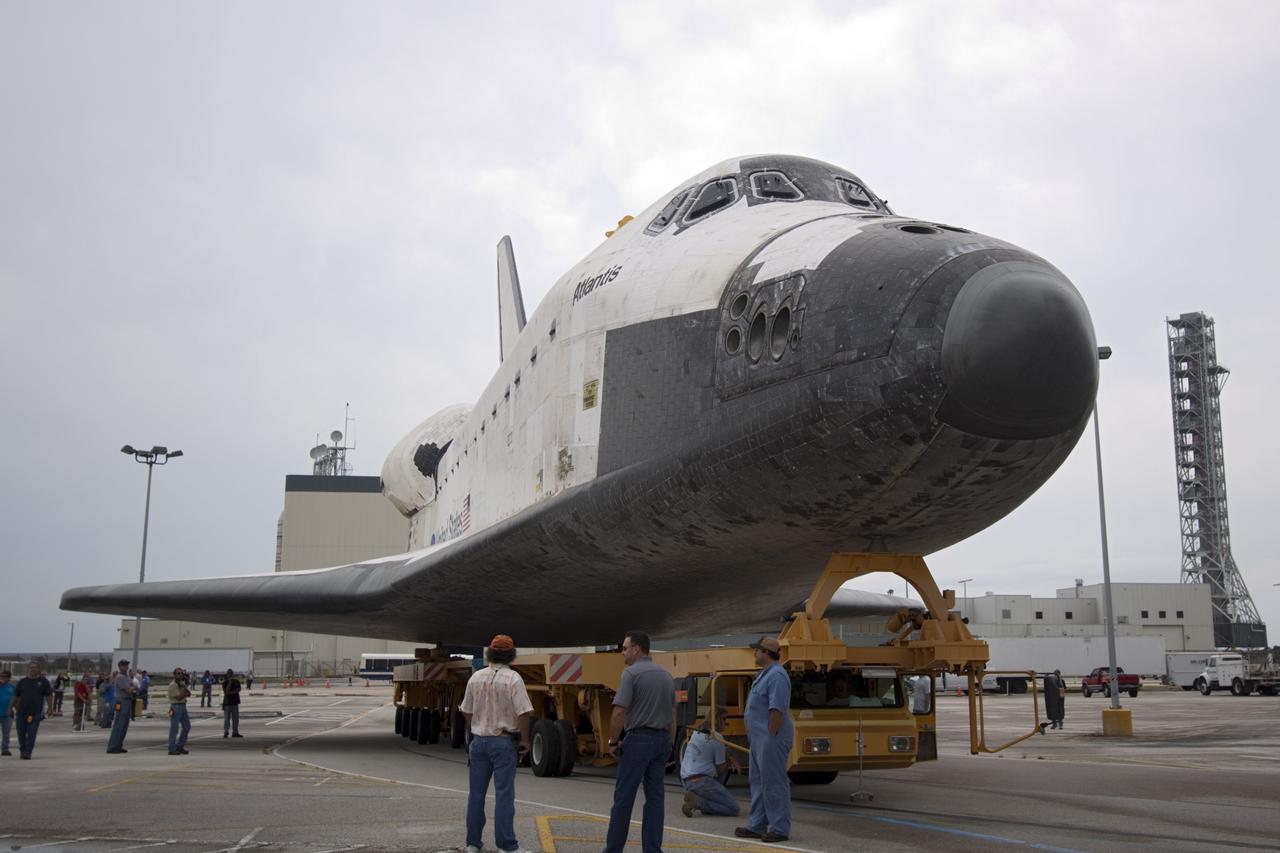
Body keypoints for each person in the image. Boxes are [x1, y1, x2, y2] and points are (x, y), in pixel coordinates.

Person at [458, 634, 533, 853]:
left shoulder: (476, 677)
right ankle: (506, 845)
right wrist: (525, 741)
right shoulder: (513, 679)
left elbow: (466, 711)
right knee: (504, 795)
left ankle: (473, 843)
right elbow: (524, 713)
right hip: (503, 742)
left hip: (479, 742)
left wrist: (478, 726)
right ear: (511, 655)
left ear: (490, 653)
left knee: (476, 795)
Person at [604, 630, 676, 853]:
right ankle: (653, 850)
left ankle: (613, 850)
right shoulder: (666, 675)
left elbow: (619, 712)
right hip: (662, 740)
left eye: (625, 648)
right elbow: (673, 714)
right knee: (655, 800)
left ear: (636, 649)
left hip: (638, 741)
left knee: (624, 799)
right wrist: (670, 745)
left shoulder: (631, 674)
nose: (622, 652)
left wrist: (613, 741)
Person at [736, 636, 792, 844]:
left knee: (774, 783)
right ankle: (757, 825)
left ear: (766, 652)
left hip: (770, 739)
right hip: (759, 739)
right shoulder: (764, 675)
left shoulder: (776, 676)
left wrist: (770, 735)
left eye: (757, 650)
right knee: (758, 781)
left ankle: (779, 828)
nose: (754, 653)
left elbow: (776, 709)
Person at [680, 707, 741, 818]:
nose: (726, 722)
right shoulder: (717, 737)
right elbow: (720, 768)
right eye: (724, 718)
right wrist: (729, 762)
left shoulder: (697, 731)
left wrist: (729, 757)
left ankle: (707, 802)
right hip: (701, 780)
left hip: (686, 778)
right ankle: (697, 802)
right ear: (717, 719)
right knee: (733, 808)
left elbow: (714, 748)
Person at [12, 663, 53, 759]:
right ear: (28, 669)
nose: (33, 669)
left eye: (34, 668)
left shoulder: (43, 682)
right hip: (21, 712)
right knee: (21, 733)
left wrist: (50, 708)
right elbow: (15, 696)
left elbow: (49, 695)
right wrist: (10, 708)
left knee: (32, 733)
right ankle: (22, 750)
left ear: (38, 669)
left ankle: (28, 752)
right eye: (31, 668)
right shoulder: (22, 682)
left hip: (35, 713)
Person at [107, 659, 136, 753]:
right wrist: (133, 688)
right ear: (119, 666)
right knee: (119, 724)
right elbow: (128, 689)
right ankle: (113, 747)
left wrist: (133, 688)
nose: (126, 667)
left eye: (127, 665)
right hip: (121, 701)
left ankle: (118, 745)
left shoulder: (127, 677)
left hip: (127, 701)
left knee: (124, 725)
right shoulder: (120, 677)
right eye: (124, 665)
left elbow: (134, 687)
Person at [168, 668, 192, 755]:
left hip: (183, 706)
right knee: (174, 728)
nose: (180, 675)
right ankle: (171, 748)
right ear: (174, 675)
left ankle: (180, 746)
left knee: (187, 726)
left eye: (181, 673)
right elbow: (178, 697)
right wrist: (183, 689)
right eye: (178, 673)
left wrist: (184, 687)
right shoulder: (173, 685)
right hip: (176, 706)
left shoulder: (182, 684)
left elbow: (188, 694)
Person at [222, 669, 242, 737]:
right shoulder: (225, 682)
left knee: (235, 718)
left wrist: (231, 692)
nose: (230, 674)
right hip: (227, 703)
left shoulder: (236, 681)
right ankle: (226, 731)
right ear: (227, 674)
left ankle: (235, 732)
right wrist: (230, 682)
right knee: (227, 718)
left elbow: (239, 689)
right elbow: (226, 691)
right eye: (229, 673)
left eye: (231, 673)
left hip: (235, 702)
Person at [0, 670, 15, 756]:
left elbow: (16, 699)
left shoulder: (12, 687)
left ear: (9, 678)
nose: (2, 678)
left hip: (7, 714)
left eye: (5, 676)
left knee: (6, 733)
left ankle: (5, 749)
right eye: (1, 676)